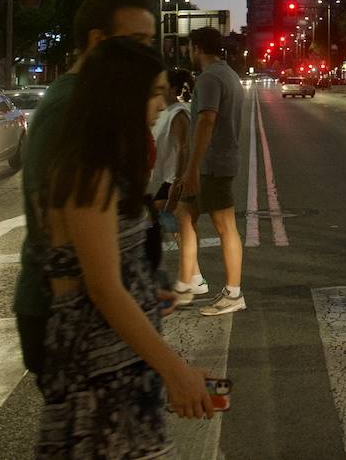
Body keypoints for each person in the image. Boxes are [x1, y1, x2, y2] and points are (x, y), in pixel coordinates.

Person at [37, 37, 213, 456]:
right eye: (152, 92)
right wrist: (176, 371)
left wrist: (145, 291)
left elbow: (99, 268)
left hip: (118, 356)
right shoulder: (88, 170)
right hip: (99, 367)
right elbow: (101, 288)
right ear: (120, 94)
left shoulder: (103, 164)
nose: (160, 104)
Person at [14, 0, 158, 382]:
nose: (147, 55)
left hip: (92, 308)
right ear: (98, 42)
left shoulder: (91, 104)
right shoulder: (70, 108)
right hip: (68, 313)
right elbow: (57, 232)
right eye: (138, 42)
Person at [177, 27, 246, 315]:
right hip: (216, 162)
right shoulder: (229, 75)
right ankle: (191, 280)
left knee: (225, 226)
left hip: (211, 165)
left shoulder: (209, 78)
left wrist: (192, 167)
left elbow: (206, 121)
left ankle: (233, 293)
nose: (188, 53)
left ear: (197, 49)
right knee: (183, 214)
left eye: (190, 48)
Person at [150, 69, 192, 255]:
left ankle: (193, 275)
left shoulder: (178, 113)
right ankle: (193, 274)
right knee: (171, 227)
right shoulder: (165, 112)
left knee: (162, 222)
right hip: (165, 179)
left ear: (173, 89)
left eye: (163, 88)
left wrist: (177, 181)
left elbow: (183, 147)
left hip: (173, 180)